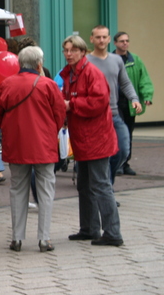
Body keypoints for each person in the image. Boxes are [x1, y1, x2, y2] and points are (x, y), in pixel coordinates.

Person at [0, 46, 66, 253]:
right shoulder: (49, 85)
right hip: (43, 145)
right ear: (39, 64)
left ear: (19, 64)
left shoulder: (6, 84)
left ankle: (17, 238)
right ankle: (44, 239)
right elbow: (59, 114)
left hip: (17, 144)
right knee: (45, 191)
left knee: (17, 189)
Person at [60, 35, 123, 247]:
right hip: (84, 139)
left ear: (82, 52)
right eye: (66, 50)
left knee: (101, 185)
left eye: (72, 50)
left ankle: (112, 232)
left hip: (96, 139)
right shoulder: (71, 74)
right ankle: (89, 228)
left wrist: (71, 105)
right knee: (84, 185)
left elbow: (98, 102)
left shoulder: (91, 73)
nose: (68, 54)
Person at [87, 25, 141, 184]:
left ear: (109, 39)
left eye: (104, 37)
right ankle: (104, 189)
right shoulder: (86, 61)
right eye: (98, 37)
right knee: (99, 155)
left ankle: (106, 184)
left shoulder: (116, 60)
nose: (101, 40)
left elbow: (125, 83)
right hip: (95, 117)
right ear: (92, 39)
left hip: (114, 114)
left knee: (123, 150)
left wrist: (134, 99)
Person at [112, 31, 154, 176]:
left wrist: (146, 96)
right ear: (115, 43)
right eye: (122, 41)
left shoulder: (135, 60)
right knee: (117, 134)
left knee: (128, 134)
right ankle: (116, 163)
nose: (125, 43)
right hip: (113, 104)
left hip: (129, 104)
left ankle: (125, 163)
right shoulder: (110, 59)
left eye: (127, 41)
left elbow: (144, 79)